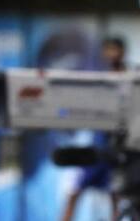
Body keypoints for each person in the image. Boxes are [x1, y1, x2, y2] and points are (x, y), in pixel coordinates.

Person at [60, 36, 127, 221]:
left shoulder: (130, 78)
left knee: (116, 195)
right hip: (97, 147)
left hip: (119, 148)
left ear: (122, 52)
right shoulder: (99, 77)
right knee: (74, 192)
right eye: (108, 50)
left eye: (114, 49)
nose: (110, 54)